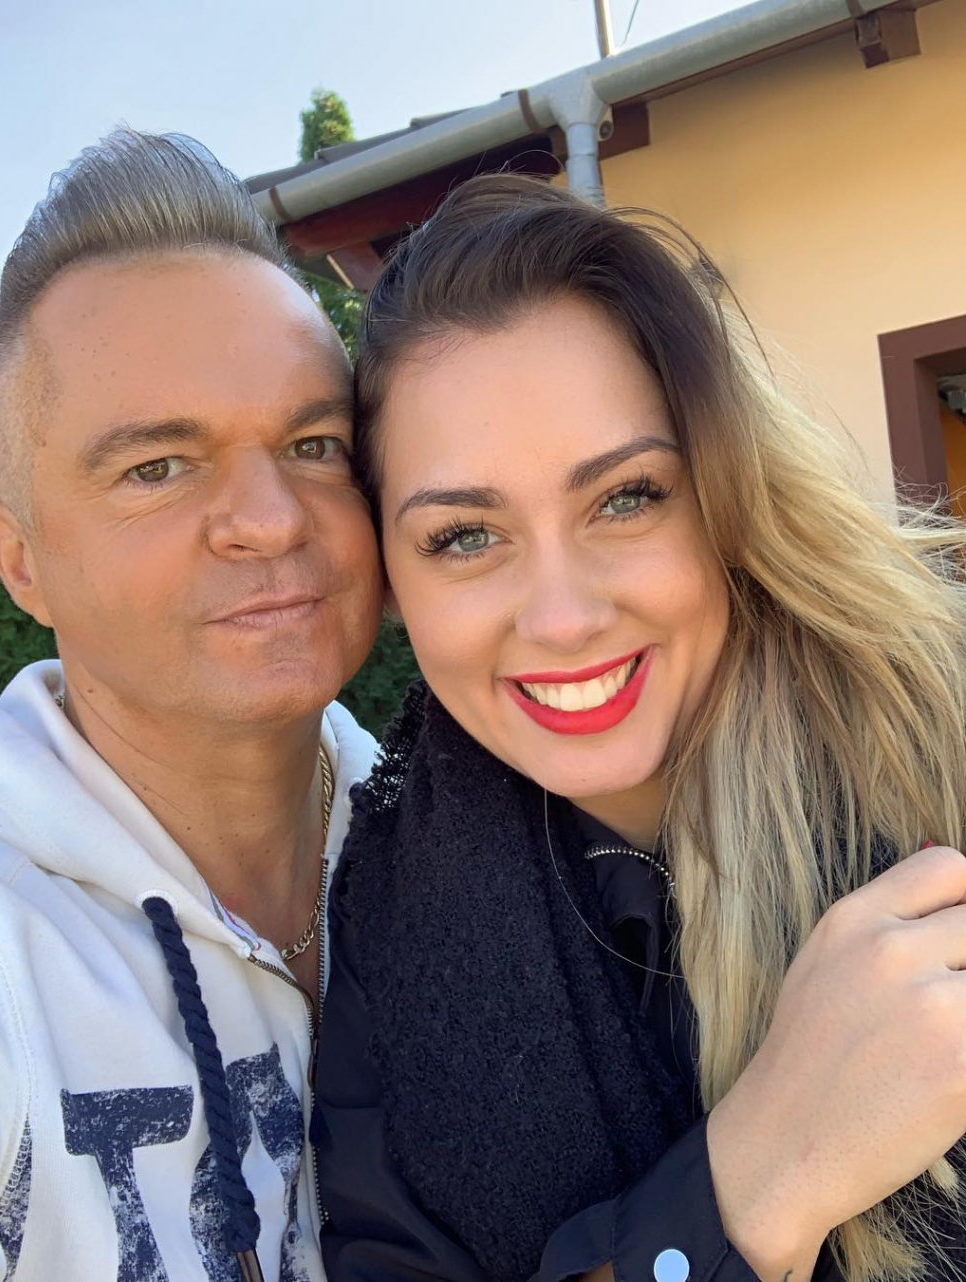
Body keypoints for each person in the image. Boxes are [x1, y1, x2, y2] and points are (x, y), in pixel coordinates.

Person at [313, 175, 966, 1282]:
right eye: (464, 536)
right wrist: (752, 1182)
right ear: (388, 576)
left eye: (625, 497)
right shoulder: (385, 926)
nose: (562, 617)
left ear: (725, 491)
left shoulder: (935, 752)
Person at [0, 129, 383, 1280]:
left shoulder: (462, 838)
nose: (269, 518)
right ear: (19, 558)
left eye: (313, 443)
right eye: (157, 467)